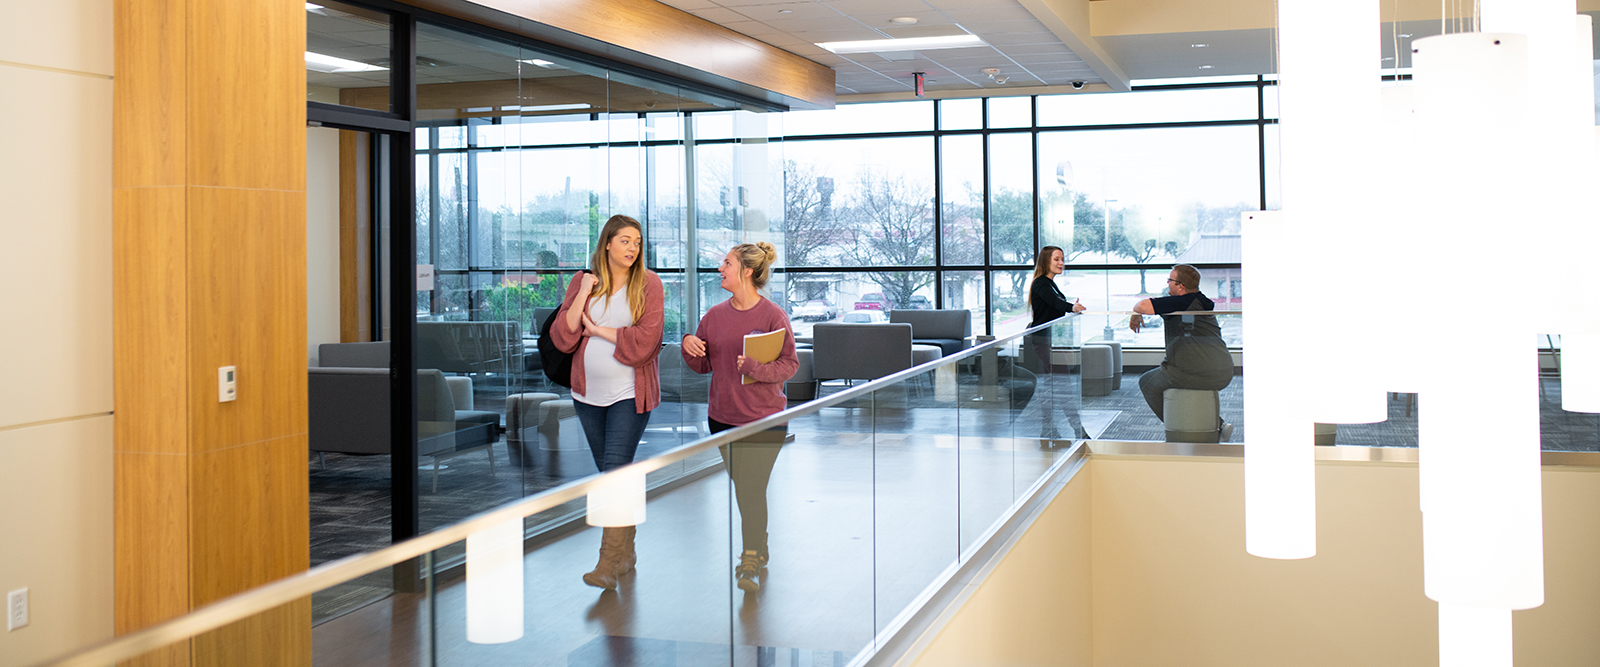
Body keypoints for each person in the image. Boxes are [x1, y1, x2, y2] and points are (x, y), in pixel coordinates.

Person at [551, 214, 665, 590]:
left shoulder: (648, 283)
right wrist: (584, 291)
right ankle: (626, 550)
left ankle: (606, 563)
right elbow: (564, 337)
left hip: (629, 393)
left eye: (637, 242)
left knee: (615, 472)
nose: (633, 248)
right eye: (625, 241)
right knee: (613, 475)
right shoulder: (583, 281)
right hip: (586, 394)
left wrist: (598, 330)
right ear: (607, 244)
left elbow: (647, 341)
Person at [681, 241, 798, 593]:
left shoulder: (773, 316)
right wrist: (688, 344)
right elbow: (702, 365)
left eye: (727, 264)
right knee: (745, 488)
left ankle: (749, 557)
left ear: (746, 271)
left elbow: (790, 365)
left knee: (750, 487)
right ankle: (758, 546)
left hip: (765, 419)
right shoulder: (714, 317)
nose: (721, 269)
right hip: (723, 417)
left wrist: (756, 367)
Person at [1129, 264, 1234, 439]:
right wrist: (1137, 311)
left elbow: (1141, 305)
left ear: (1180, 286)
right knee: (1164, 373)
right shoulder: (1199, 301)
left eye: (1170, 280)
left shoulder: (1181, 302)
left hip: (1197, 371)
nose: (1167, 283)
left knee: (1147, 383)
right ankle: (1218, 423)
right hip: (1223, 369)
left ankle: (1179, 425)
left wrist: (1136, 311)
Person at [1026, 245, 1088, 440]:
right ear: (1046, 261)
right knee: (1064, 384)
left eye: (1062, 259)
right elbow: (1054, 303)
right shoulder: (1041, 283)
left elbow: (1054, 304)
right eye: (1056, 259)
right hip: (1044, 341)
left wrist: (1070, 306)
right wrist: (1071, 306)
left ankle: (1048, 428)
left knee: (1051, 386)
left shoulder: (1050, 283)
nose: (1062, 263)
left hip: (1051, 341)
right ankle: (1078, 430)